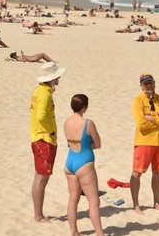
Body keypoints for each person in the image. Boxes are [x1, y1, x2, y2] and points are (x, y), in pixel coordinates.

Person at [130, 73, 159, 214]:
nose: (149, 86)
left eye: (151, 83)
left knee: (157, 173)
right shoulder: (138, 100)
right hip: (143, 141)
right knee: (137, 173)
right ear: (141, 86)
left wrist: (152, 118)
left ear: (154, 83)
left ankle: (157, 201)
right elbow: (141, 124)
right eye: (146, 83)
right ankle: (136, 204)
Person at [63, 94, 104, 235]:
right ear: (84, 107)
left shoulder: (66, 122)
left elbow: (69, 143)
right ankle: (100, 233)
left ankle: (74, 231)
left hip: (70, 163)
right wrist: (89, 145)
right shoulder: (88, 123)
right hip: (84, 163)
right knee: (93, 201)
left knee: (73, 200)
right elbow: (98, 144)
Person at [30, 62, 66, 222]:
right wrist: (49, 131)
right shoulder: (44, 94)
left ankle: (38, 213)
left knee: (40, 177)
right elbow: (40, 116)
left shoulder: (39, 91)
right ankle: (38, 215)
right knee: (42, 177)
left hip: (39, 138)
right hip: (44, 139)